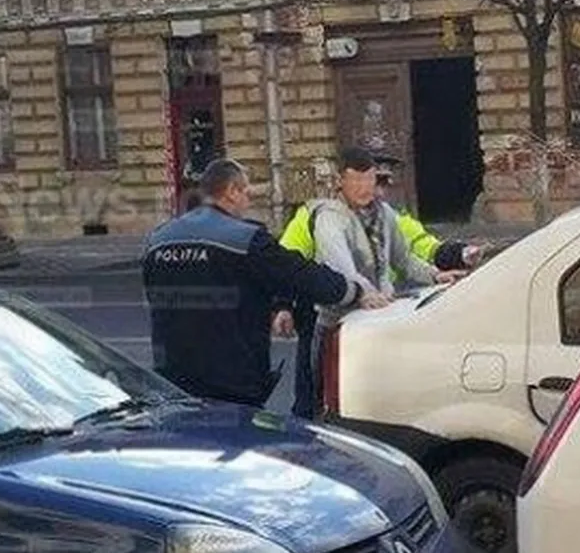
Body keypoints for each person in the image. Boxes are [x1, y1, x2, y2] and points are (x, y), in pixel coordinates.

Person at [141, 159, 390, 408]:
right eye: (247, 193)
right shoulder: (243, 238)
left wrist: (277, 306)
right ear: (232, 191)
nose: (248, 202)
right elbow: (298, 274)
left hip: (172, 379)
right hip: (230, 381)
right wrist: (353, 291)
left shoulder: (159, 239)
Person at [273, 150, 485, 417]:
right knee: (318, 392)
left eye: (372, 180)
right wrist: (283, 304)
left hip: (378, 314)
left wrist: (435, 274)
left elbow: (404, 257)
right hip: (333, 317)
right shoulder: (325, 216)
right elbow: (329, 266)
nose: (367, 188)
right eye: (357, 181)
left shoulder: (386, 215)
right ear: (341, 181)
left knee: (373, 394)